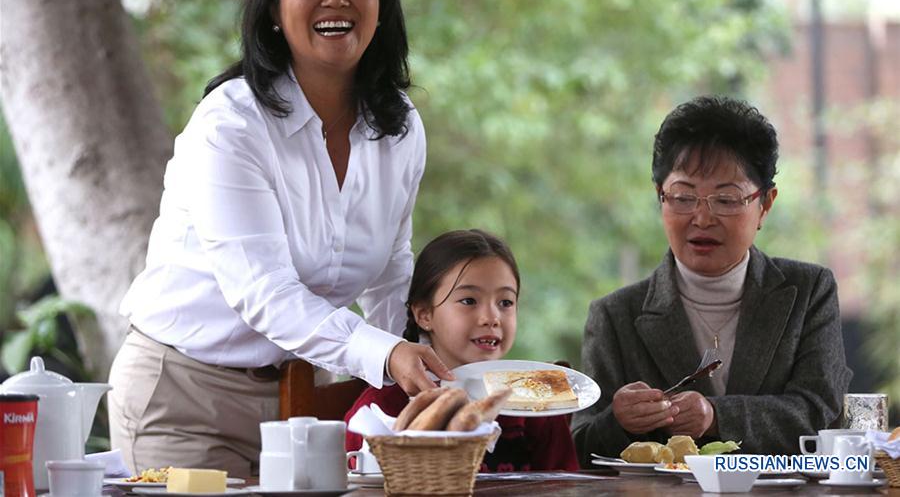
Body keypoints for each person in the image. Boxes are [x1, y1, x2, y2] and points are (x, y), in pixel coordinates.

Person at [108, 0, 452, 477]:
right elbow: (263, 291)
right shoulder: (230, 124)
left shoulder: (400, 125)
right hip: (184, 401)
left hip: (304, 404)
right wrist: (383, 355)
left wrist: (410, 380)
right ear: (273, 7)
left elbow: (393, 267)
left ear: (382, 5)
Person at [572, 96, 852, 463]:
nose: (702, 218)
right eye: (684, 197)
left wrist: (717, 416)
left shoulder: (808, 292)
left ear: (765, 204)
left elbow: (821, 413)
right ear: (661, 197)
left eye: (726, 199)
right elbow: (579, 448)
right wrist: (620, 422)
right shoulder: (614, 316)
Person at [344, 229, 579, 472]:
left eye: (505, 303)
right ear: (424, 314)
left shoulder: (538, 402)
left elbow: (566, 484)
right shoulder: (382, 407)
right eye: (469, 301)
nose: (492, 318)